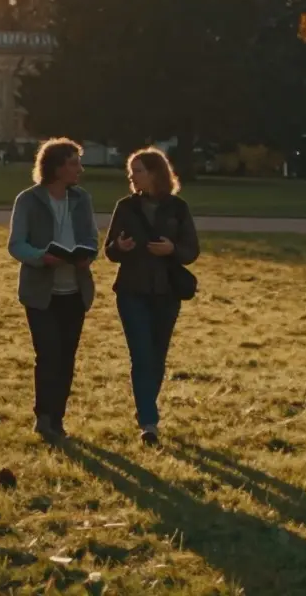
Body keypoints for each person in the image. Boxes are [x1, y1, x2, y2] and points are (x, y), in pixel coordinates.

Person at [103, 147, 200, 447]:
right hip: (132, 291)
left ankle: (146, 410)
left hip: (166, 292)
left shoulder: (178, 208)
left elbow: (191, 250)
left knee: (157, 357)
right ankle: (149, 421)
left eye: (139, 170)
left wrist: (173, 250)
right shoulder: (125, 207)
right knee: (141, 355)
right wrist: (121, 246)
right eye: (131, 170)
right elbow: (109, 250)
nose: (132, 176)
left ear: (157, 173)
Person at [7, 138, 98, 441]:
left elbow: (92, 239)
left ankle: (57, 419)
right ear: (56, 167)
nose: (79, 169)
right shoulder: (28, 200)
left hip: (75, 291)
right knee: (48, 354)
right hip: (41, 292)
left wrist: (88, 256)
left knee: (67, 356)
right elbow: (17, 244)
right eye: (74, 163)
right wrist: (40, 258)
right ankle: (43, 417)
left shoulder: (81, 199)